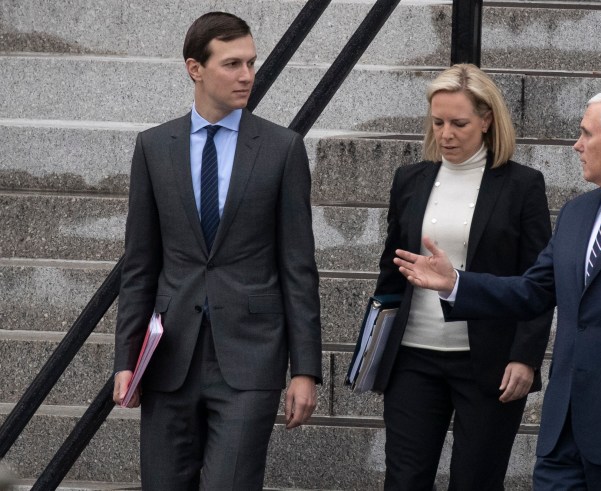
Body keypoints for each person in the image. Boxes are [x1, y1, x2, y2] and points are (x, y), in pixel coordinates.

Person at [393, 90, 601, 490]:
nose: (577, 145)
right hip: (564, 430)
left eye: (586, 134)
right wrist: (457, 284)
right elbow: (532, 291)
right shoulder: (576, 213)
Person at [112, 12, 321, 490]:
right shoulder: (153, 147)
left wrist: (305, 370)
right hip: (169, 358)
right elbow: (140, 264)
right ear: (195, 68)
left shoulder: (282, 149)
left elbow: (298, 267)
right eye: (232, 64)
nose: (247, 75)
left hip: (250, 358)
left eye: (251, 62)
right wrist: (126, 359)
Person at [372, 64, 554, 490]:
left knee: (476, 480)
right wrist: (374, 347)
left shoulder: (523, 185)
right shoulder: (409, 180)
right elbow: (390, 269)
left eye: (459, 123)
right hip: (412, 359)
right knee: (404, 479)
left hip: (488, 362)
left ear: (487, 121)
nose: (446, 134)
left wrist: (525, 356)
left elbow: (540, 282)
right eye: (438, 123)